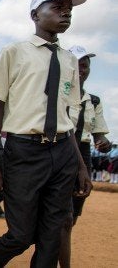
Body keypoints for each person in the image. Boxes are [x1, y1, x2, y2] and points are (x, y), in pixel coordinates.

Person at [0, 0, 93, 267]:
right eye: (57, 7)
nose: (65, 13)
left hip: (63, 152)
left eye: (68, 9)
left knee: (52, 237)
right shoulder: (14, 52)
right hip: (24, 153)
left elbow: (66, 118)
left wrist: (79, 165)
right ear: (35, 15)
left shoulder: (68, 61)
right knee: (20, 234)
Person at [58, 45, 111, 267]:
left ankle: (54, 249)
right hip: (59, 153)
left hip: (84, 155)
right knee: (64, 218)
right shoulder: (58, 94)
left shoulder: (94, 102)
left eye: (85, 65)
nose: (81, 69)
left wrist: (104, 143)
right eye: (77, 64)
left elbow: (100, 135)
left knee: (72, 218)